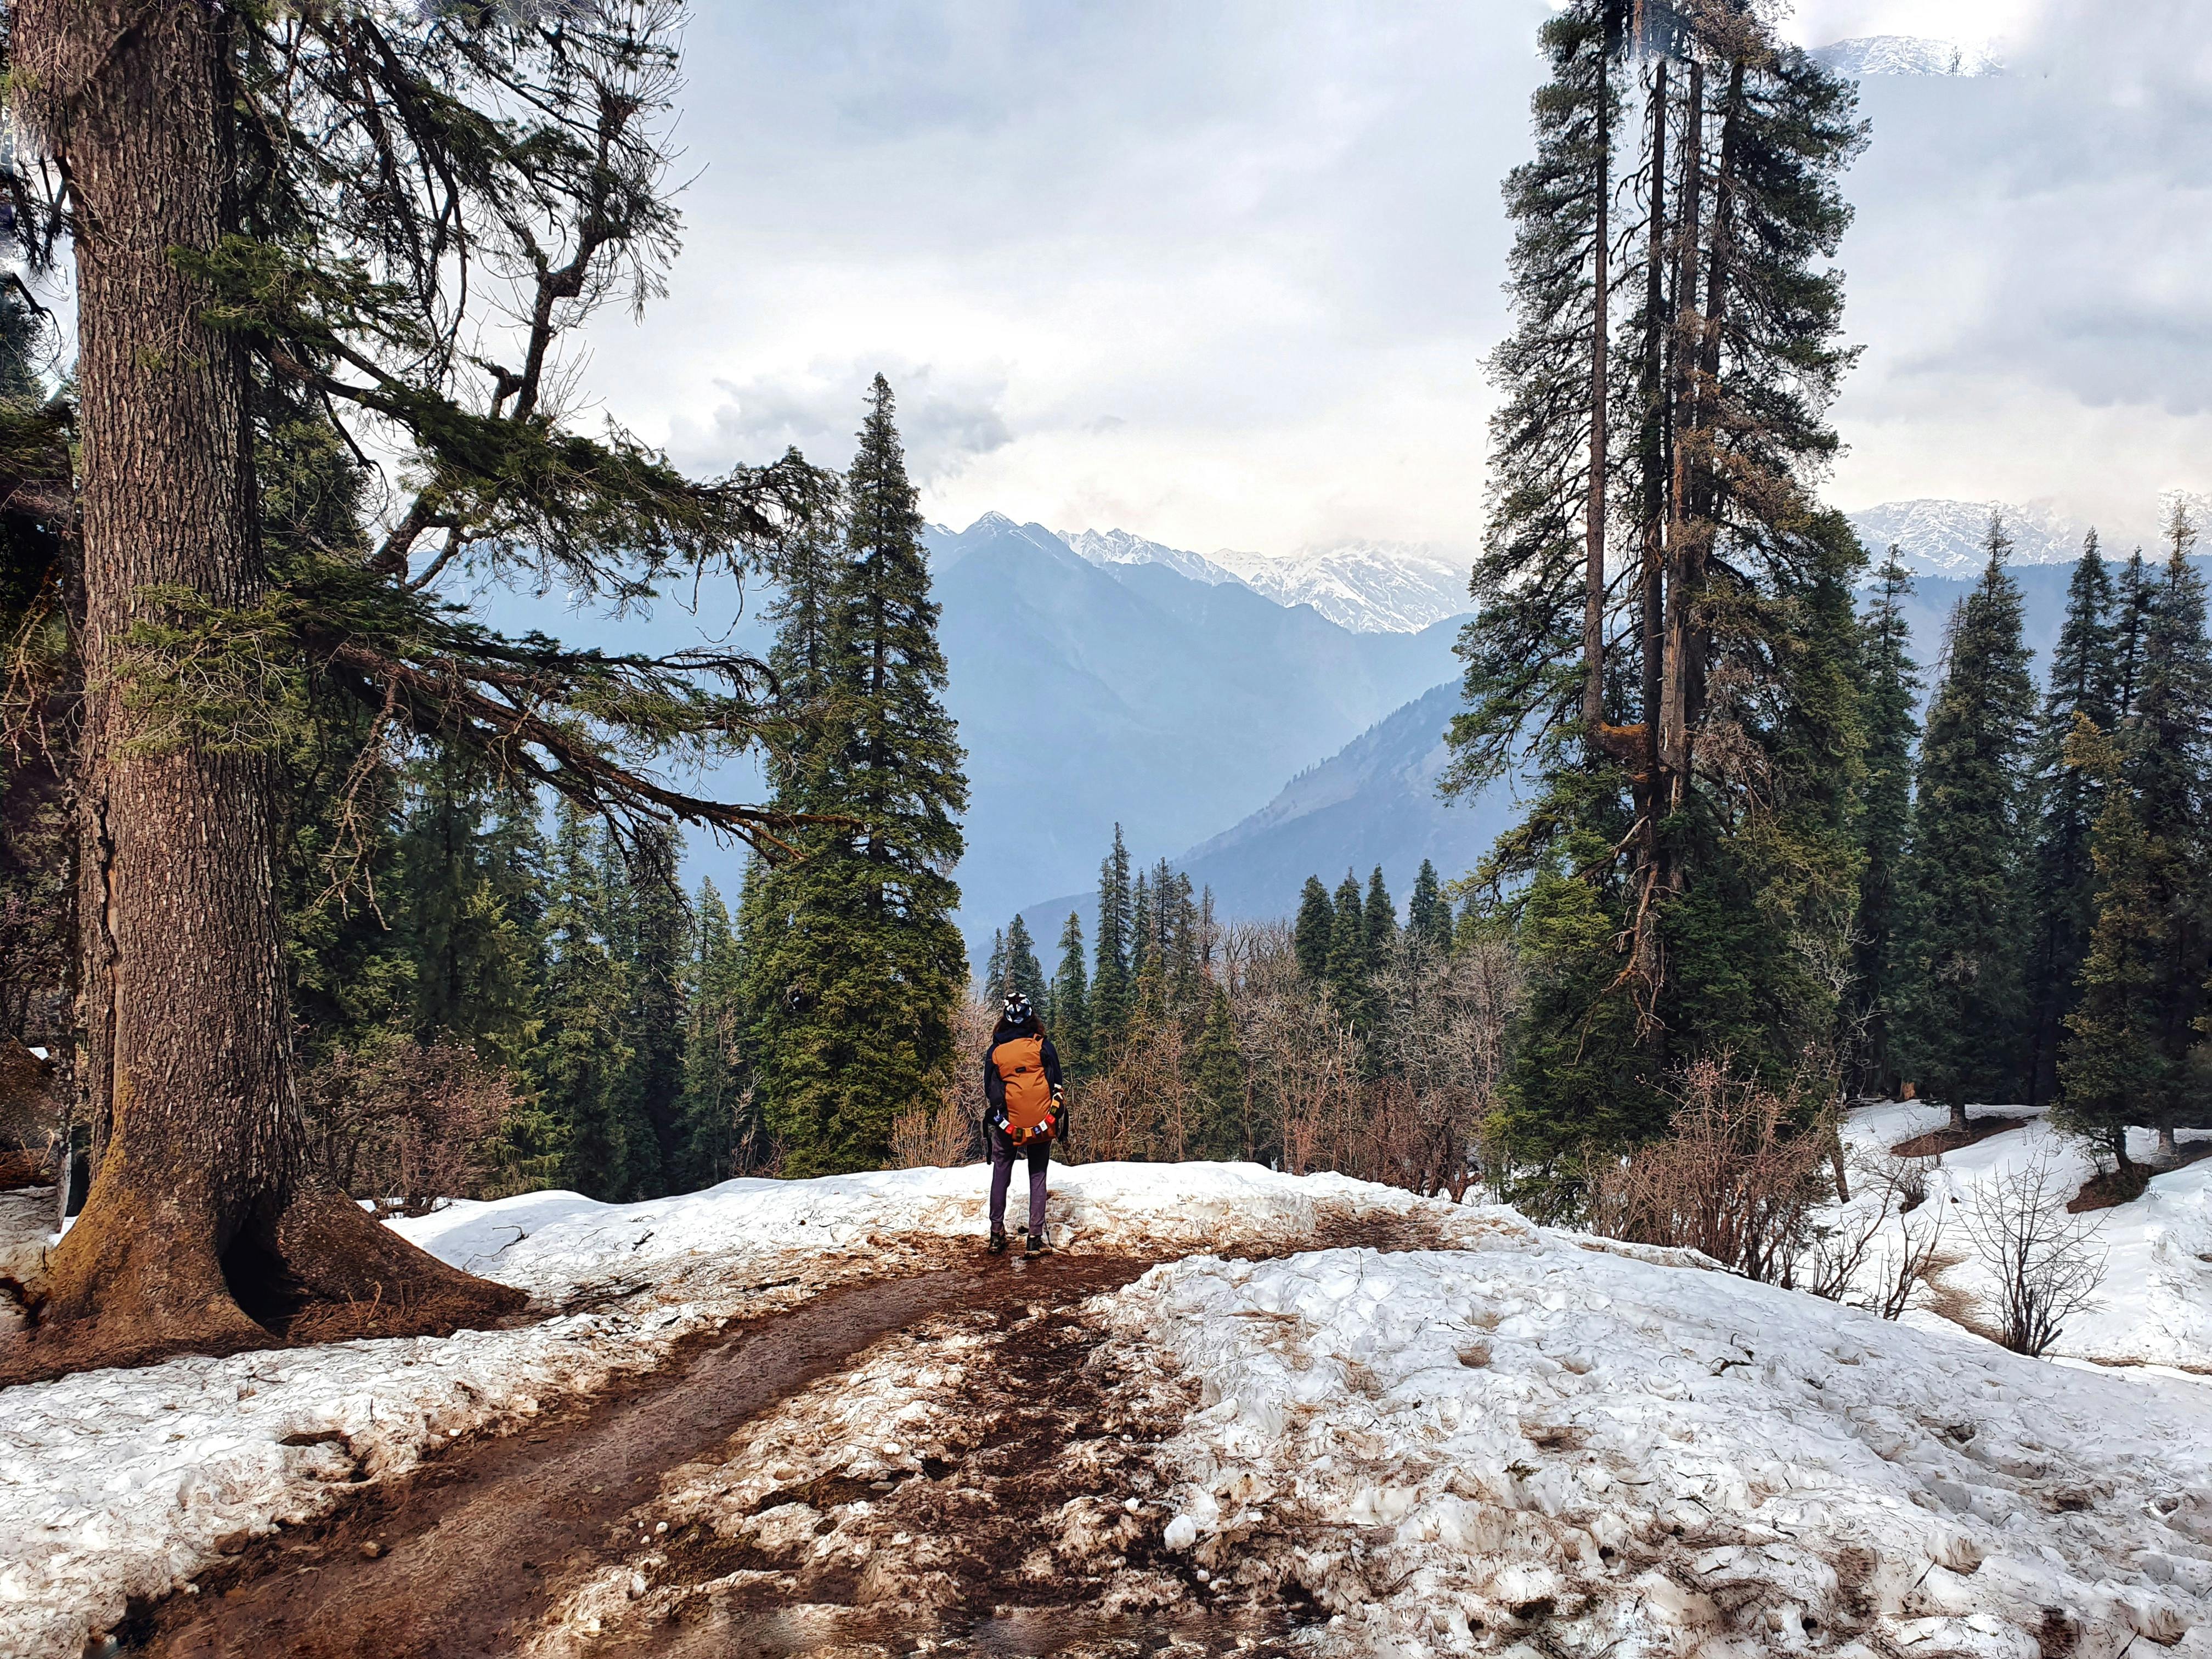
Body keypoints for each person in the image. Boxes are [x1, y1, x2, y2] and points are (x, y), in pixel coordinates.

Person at [981, 990, 1065, 1256]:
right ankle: (1034, 1238)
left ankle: (996, 1234)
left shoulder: (996, 1051)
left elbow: (989, 1088)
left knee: (1001, 1171)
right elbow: (1057, 1083)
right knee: (1038, 1174)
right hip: (1042, 1119)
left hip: (1007, 1122)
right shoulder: (1043, 1046)